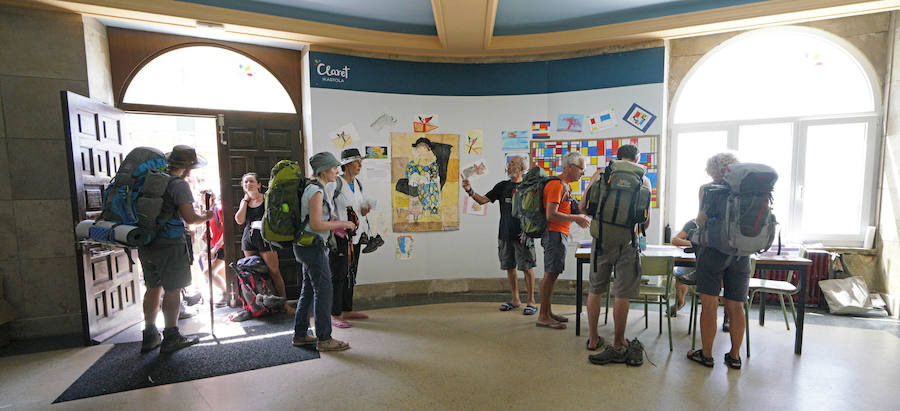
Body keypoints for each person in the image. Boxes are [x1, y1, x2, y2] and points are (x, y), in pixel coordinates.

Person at [140, 145, 215, 354]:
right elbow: (190, 219)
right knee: (173, 289)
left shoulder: (151, 180)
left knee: (152, 287)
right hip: (170, 243)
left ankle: (149, 334)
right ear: (188, 168)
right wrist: (206, 216)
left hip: (147, 240)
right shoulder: (178, 185)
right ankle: (171, 336)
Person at [585, 144, 652, 366]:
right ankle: (618, 341)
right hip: (628, 242)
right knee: (621, 293)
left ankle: (593, 339)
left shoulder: (603, 174)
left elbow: (584, 207)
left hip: (601, 240)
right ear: (637, 158)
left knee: (595, 290)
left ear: (618, 156)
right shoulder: (644, 178)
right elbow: (646, 221)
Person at [687, 152, 750, 370]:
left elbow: (701, 220)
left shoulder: (707, 189)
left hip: (713, 251)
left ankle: (706, 355)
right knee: (736, 307)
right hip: (741, 253)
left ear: (712, 170)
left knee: (709, 305)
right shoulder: (747, 191)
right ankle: (734, 356)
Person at [292, 152, 356, 352]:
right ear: (323, 170)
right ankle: (324, 338)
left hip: (306, 246)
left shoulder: (315, 188)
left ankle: (301, 335)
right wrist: (343, 223)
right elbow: (316, 223)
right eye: (333, 167)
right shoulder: (316, 191)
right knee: (324, 291)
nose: (337, 171)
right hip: (312, 247)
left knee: (309, 290)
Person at [462, 155, 537, 315]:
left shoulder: (528, 187)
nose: (509, 166)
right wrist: (469, 190)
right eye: (509, 164)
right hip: (504, 234)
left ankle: (531, 301)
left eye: (512, 164)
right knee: (509, 267)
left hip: (523, 235)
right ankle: (515, 299)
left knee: (527, 267)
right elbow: (482, 200)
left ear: (522, 168)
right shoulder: (502, 186)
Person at [537, 151, 591, 329]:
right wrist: (575, 219)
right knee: (550, 275)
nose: (582, 173)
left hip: (559, 234)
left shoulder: (565, 185)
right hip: (554, 234)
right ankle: (543, 316)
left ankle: (548, 311)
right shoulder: (557, 185)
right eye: (581, 169)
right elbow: (551, 214)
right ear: (570, 166)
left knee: (552, 274)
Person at [326, 148, 373, 328]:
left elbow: (358, 207)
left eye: (361, 162)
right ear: (346, 165)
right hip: (339, 236)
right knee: (338, 275)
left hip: (355, 236)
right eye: (356, 162)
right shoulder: (334, 184)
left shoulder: (358, 183)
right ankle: (334, 313)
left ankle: (346, 308)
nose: (360, 165)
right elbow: (325, 210)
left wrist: (364, 210)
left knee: (351, 273)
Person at [235, 172, 292, 313]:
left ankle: (284, 304)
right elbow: (240, 220)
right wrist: (245, 201)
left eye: (251, 181)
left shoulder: (266, 198)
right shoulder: (245, 202)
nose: (248, 184)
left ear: (259, 184)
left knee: (274, 271)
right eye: (245, 182)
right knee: (253, 272)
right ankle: (259, 306)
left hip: (265, 238)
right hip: (249, 239)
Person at [203, 190, 229, 308]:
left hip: (222, 247)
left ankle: (226, 293)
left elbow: (226, 231)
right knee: (218, 273)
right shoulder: (208, 212)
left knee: (208, 272)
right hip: (216, 246)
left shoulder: (217, 210)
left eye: (204, 197)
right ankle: (226, 295)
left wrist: (215, 248)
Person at [668, 219, 698, 317]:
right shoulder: (692, 224)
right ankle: (680, 302)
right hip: (692, 263)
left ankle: (726, 317)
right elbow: (675, 240)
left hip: (712, 265)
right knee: (680, 274)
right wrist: (693, 243)